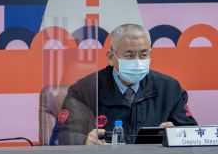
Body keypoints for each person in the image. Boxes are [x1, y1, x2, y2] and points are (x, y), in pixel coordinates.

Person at [56, 23, 198, 145]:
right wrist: (84, 140)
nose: (137, 61)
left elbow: (193, 133)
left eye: (143, 55)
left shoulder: (169, 89)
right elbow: (59, 137)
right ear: (111, 57)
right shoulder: (84, 90)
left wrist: (176, 133)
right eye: (129, 56)